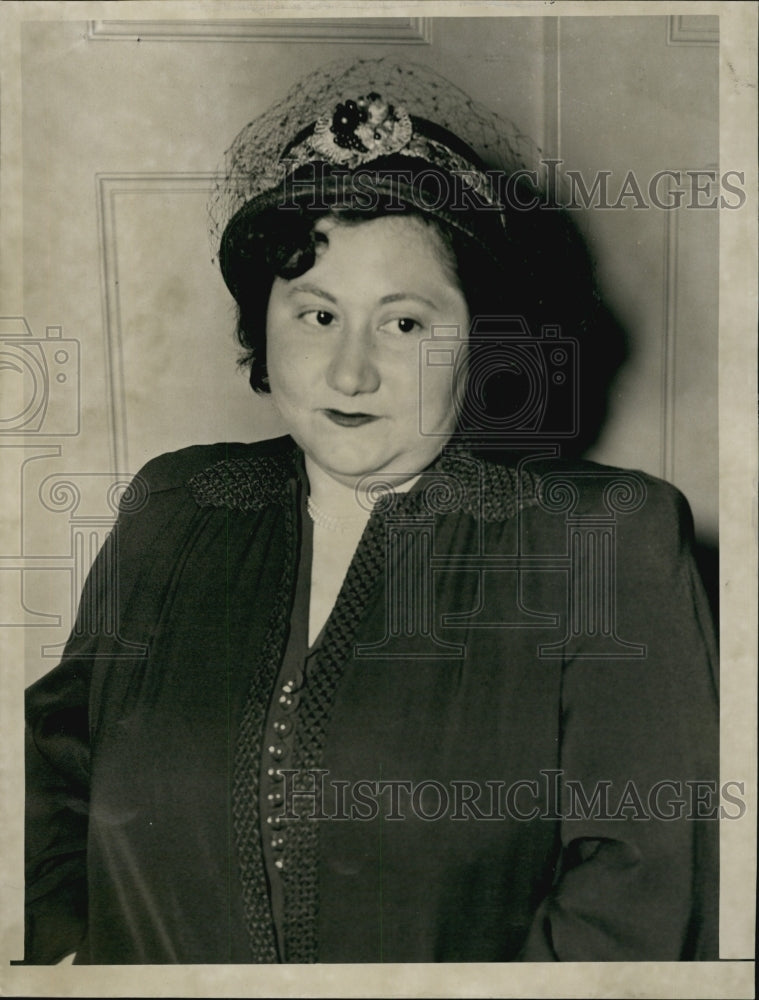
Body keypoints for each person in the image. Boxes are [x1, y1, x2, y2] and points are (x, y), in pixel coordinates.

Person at [23, 59, 718, 964]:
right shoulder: (173, 509)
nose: (349, 373)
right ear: (263, 323)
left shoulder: (605, 541)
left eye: (405, 324)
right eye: (317, 316)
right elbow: (47, 790)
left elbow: (638, 903)